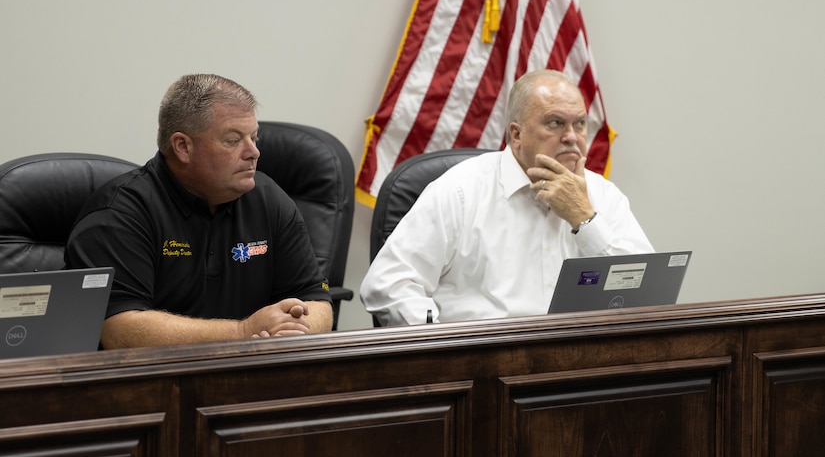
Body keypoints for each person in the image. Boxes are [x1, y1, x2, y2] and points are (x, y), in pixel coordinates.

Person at [360, 69, 654, 326]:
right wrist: (443, 351)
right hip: (483, 368)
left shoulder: (603, 195)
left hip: (578, 364)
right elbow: (387, 284)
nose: (572, 137)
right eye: (555, 123)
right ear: (516, 135)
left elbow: (645, 294)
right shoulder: (461, 191)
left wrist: (585, 220)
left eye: (579, 124)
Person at [65, 74, 332, 348]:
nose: (254, 152)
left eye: (254, 137)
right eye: (233, 140)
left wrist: (295, 328)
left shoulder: (268, 199)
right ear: (183, 147)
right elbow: (119, 330)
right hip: (151, 383)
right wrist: (241, 333)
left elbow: (317, 300)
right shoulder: (120, 214)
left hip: (252, 377)